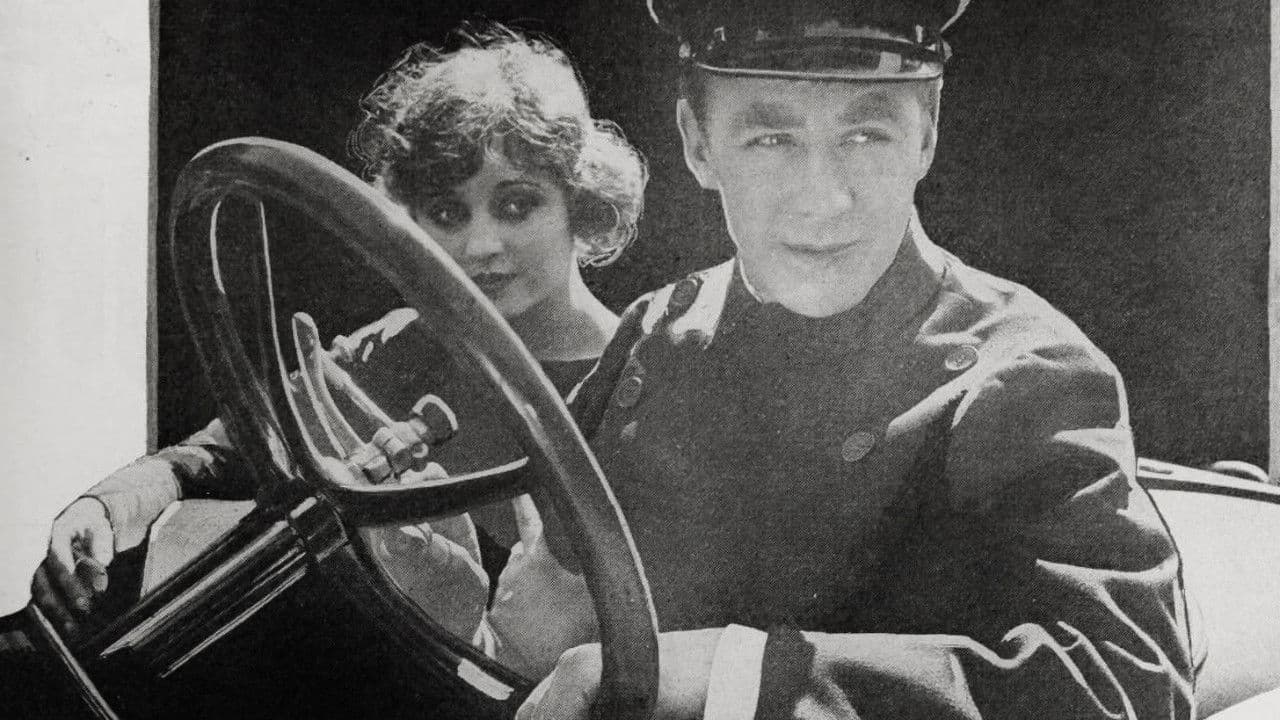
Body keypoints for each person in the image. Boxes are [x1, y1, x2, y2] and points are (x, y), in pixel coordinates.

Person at [482, 2, 1197, 718]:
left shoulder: (1027, 377)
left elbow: (1128, 685)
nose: (824, 197)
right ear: (698, 144)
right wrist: (468, 620)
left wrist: (723, 677)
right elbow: (544, 633)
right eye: (771, 139)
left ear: (927, 137)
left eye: (866, 134)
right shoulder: (656, 332)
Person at [30, 26, 647, 643]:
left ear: (580, 199)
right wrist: (106, 509)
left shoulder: (648, 377)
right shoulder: (403, 349)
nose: (480, 245)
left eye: (515, 205)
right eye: (446, 213)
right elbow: (217, 455)